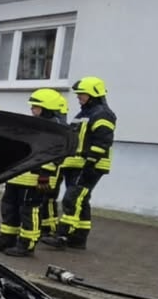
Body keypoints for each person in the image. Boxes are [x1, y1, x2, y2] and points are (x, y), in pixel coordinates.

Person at [0, 88, 66, 258]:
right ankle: (7, 238)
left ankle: (27, 244)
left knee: (29, 211)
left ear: (46, 108)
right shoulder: (35, 126)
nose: (32, 109)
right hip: (18, 176)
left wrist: (44, 176)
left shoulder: (54, 130)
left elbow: (54, 156)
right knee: (9, 208)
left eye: (35, 107)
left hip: (35, 179)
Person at [41, 76, 116, 251]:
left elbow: (103, 141)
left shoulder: (102, 114)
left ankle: (62, 236)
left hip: (90, 165)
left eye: (82, 94)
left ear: (93, 95)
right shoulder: (85, 114)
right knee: (82, 200)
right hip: (77, 164)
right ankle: (79, 238)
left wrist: (91, 161)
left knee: (72, 198)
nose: (78, 97)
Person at [37, 88, 71, 240]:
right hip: (49, 169)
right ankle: (46, 227)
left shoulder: (56, 126)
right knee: (45, 199)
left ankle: (49, 228)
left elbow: (55, 152)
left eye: (36, 107)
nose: (32, 110)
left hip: (53, 170)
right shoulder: (52, 123)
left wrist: (46, 172)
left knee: (49, 198)